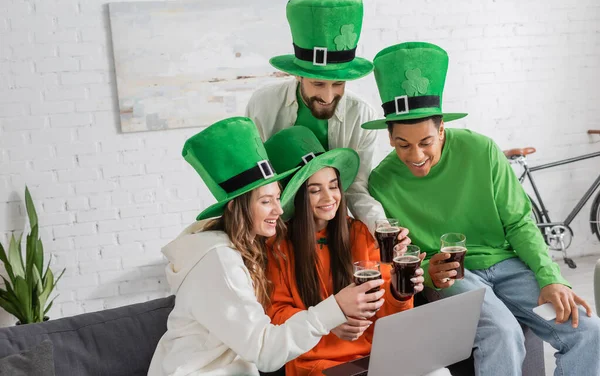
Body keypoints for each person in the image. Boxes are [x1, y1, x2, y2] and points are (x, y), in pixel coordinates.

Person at [366, 42, 600, 375]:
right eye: (403, 144)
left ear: (442, 129)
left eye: (425, 142)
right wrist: (430, 268)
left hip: (508, 266)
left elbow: (519, 222)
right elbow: (403, 254)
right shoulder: (382, 183)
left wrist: (551, 278)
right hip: (454, 277)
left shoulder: (481, 150)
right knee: (501, 332)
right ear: (390, 138)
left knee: (588, 331)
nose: (415, 155)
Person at [147, 117, 385, 376]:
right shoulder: (219, 263)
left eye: (277, 198)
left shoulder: (238, 251)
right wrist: (336, 308)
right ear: (236, 207)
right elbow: (266, 353)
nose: (279, 209)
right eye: (266, 202)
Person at [263, 126, 449, 376]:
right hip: (316, 364)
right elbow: (276, 316)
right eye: (314, 190)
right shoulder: (277, 247)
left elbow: (388, 317)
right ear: (295, 196)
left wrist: (399, 292)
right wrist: (329, 322)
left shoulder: (361, 233)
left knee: (439, 372)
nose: (329, 197)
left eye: (333, 186)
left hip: (373, 359)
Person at [246, 0, 388, 234]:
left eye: (338, 84)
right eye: (318, 84)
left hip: (331, 226)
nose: (328, 96)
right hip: (275, 224)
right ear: (298, 74)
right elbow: (255, 180)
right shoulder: (263, 104)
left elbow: (355, 188)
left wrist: (381, 227)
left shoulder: (362, 114)